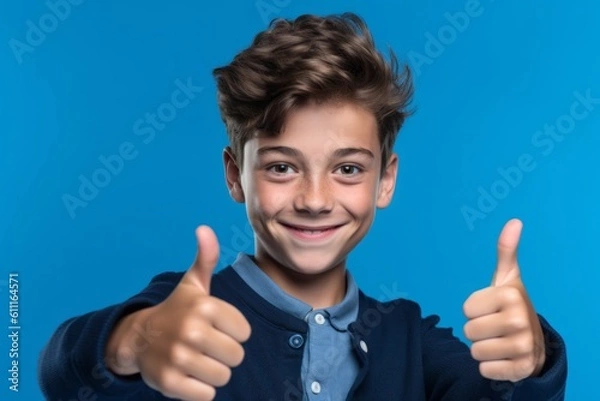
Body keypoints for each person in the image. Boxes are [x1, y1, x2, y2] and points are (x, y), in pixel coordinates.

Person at [38, 12, 567, 401]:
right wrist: (135, 341)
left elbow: (497, 395)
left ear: (386, 181)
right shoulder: (188, 312)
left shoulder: (408, 336)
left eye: (348, 169)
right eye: (282, 167)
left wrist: (528, 360)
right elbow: (59, 369)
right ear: (234, 176)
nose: (315, 200)